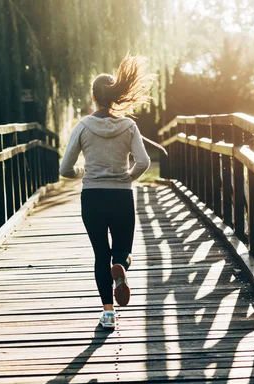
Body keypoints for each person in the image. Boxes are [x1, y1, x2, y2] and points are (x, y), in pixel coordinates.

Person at [59, 54, 154, 329]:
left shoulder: (83, 126)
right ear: (115, 96)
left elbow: (66, 168)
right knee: (122, 251)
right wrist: (128, 177)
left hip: (93, 197)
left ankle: (108, 314)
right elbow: (144, 162)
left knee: (101, 254)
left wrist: (82, 173)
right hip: (121, 196)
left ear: (94, 97)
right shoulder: (129, 126)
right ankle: (121, 268)